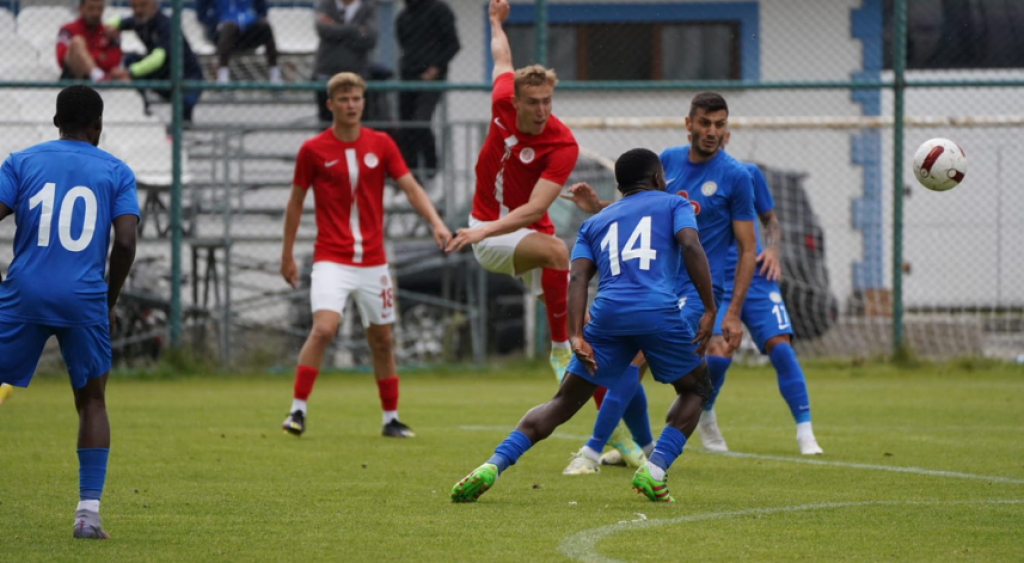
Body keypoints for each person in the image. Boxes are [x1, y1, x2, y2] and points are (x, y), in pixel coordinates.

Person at [450, 148, 717, 503]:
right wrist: (709, 306)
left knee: (561, 402)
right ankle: (654, 470)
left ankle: (493, 464)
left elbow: (576, 278)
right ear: (657, 179)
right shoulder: (673, 205)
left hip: (607, 316)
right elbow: (689, 244)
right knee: (696, 389)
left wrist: (575, 333)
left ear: (620, 186)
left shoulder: (594, 223)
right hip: (657, 311)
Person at [560, 92, 759, 472]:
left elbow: (747, 248)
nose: (712, 131)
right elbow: (643, 215)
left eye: (720, 124)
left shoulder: (736, 176)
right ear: (689, 124)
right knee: (626, 359)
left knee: (635, 358)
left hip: (694, 292)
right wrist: (601, 207)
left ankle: (591, 452)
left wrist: (731, 313)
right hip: (655, 282)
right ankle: (646, 447)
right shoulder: (665, 161)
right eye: (705, 123)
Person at [0, 85, 139, 538]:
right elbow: (125, 243)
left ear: (56, 120)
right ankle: (87, 515)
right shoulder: (116, 171)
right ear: (97, 126)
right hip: (83, 298)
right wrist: (109, 298)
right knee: (92, 400)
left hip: (25, 293)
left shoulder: (21, 162)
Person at [280, 72, 452, 438]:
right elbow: (295, 203)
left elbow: (410, 187)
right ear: (330, 105)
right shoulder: (313, 150)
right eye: (343, 99)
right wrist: (287, 255)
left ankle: (391, 418)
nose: (351, 105)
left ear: (363, 101)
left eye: (356, 98)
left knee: (383, 340)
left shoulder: (382, 144)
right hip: (331, 258)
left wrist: (436, 223)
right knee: (324, 328)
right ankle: (297, 411)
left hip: (374, 262)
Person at [445, 0, 579, 383]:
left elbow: (536, 206)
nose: (541, 110)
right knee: (557, 253)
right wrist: (494, 22)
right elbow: (502, 58)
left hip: (517, 230)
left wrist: (479, 233)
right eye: (533, 102)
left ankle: (619, 439)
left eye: (547, 101)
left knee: (588, 332)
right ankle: (557, 349)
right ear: (516, 101)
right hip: (491, 230)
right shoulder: (501, 98)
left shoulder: (562, 145)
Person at [693, 149, 824, 455]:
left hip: (757, 277)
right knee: (719, 349)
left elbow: (771, 221)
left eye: (720, 127)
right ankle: (706, 414)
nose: (714, 134)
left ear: (726, 136)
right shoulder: (689, 175)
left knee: (781, 346)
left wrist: (774, 249)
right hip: (717, 279)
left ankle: (805, 432)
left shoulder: (748, 173)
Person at [104, 0, 204, 123]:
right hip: (164, 74)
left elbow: (158, 58)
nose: (138, 10)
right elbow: (117, 22)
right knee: (131, 59)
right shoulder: (139, 20)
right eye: (134, 6)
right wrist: (110, 28)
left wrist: (129, 71)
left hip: (187, 76)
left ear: (153, 5)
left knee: (184, 105)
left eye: (143, 5)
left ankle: (181, 129)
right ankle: (142, 109)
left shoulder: (165, 24)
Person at [395, 0, 460, 178]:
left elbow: (453, 44)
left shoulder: (440, 10)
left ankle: (432, 174)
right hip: (408, 76)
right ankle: (411, 178)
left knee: (421, 122)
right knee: (406, 127)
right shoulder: (403, 16)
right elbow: (403, 44)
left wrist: (435, 68)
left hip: (432, 78)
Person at [312, 0, 378, 123]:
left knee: (359, 125)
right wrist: (356, 29)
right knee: (327, 124)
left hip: (357, 74)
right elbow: (323, 29)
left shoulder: (367, 7)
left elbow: (370, 39)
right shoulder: (326, 4)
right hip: (327, 73)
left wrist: (336, 29)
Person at [196, 0, 282, 84]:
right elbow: (202, 15)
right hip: (221, 33)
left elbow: (262, 12)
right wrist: (217, 22)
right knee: (229, 26)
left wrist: (250, 18)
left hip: (246, 31)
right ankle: (223, 76)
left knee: (265, 26)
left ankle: (274, 74)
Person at [57, 0, 122, 82]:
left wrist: (84, 56)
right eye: (91, 9)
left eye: (99, 9)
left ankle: (97, 76)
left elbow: (114, 63)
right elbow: (61, 59)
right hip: (74, 76)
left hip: (104, 78)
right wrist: (99, 56)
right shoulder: (67, 30)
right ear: (81, 9)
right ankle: (97, 75)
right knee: (77, 42)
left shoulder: (109, 33)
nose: (95, 13)